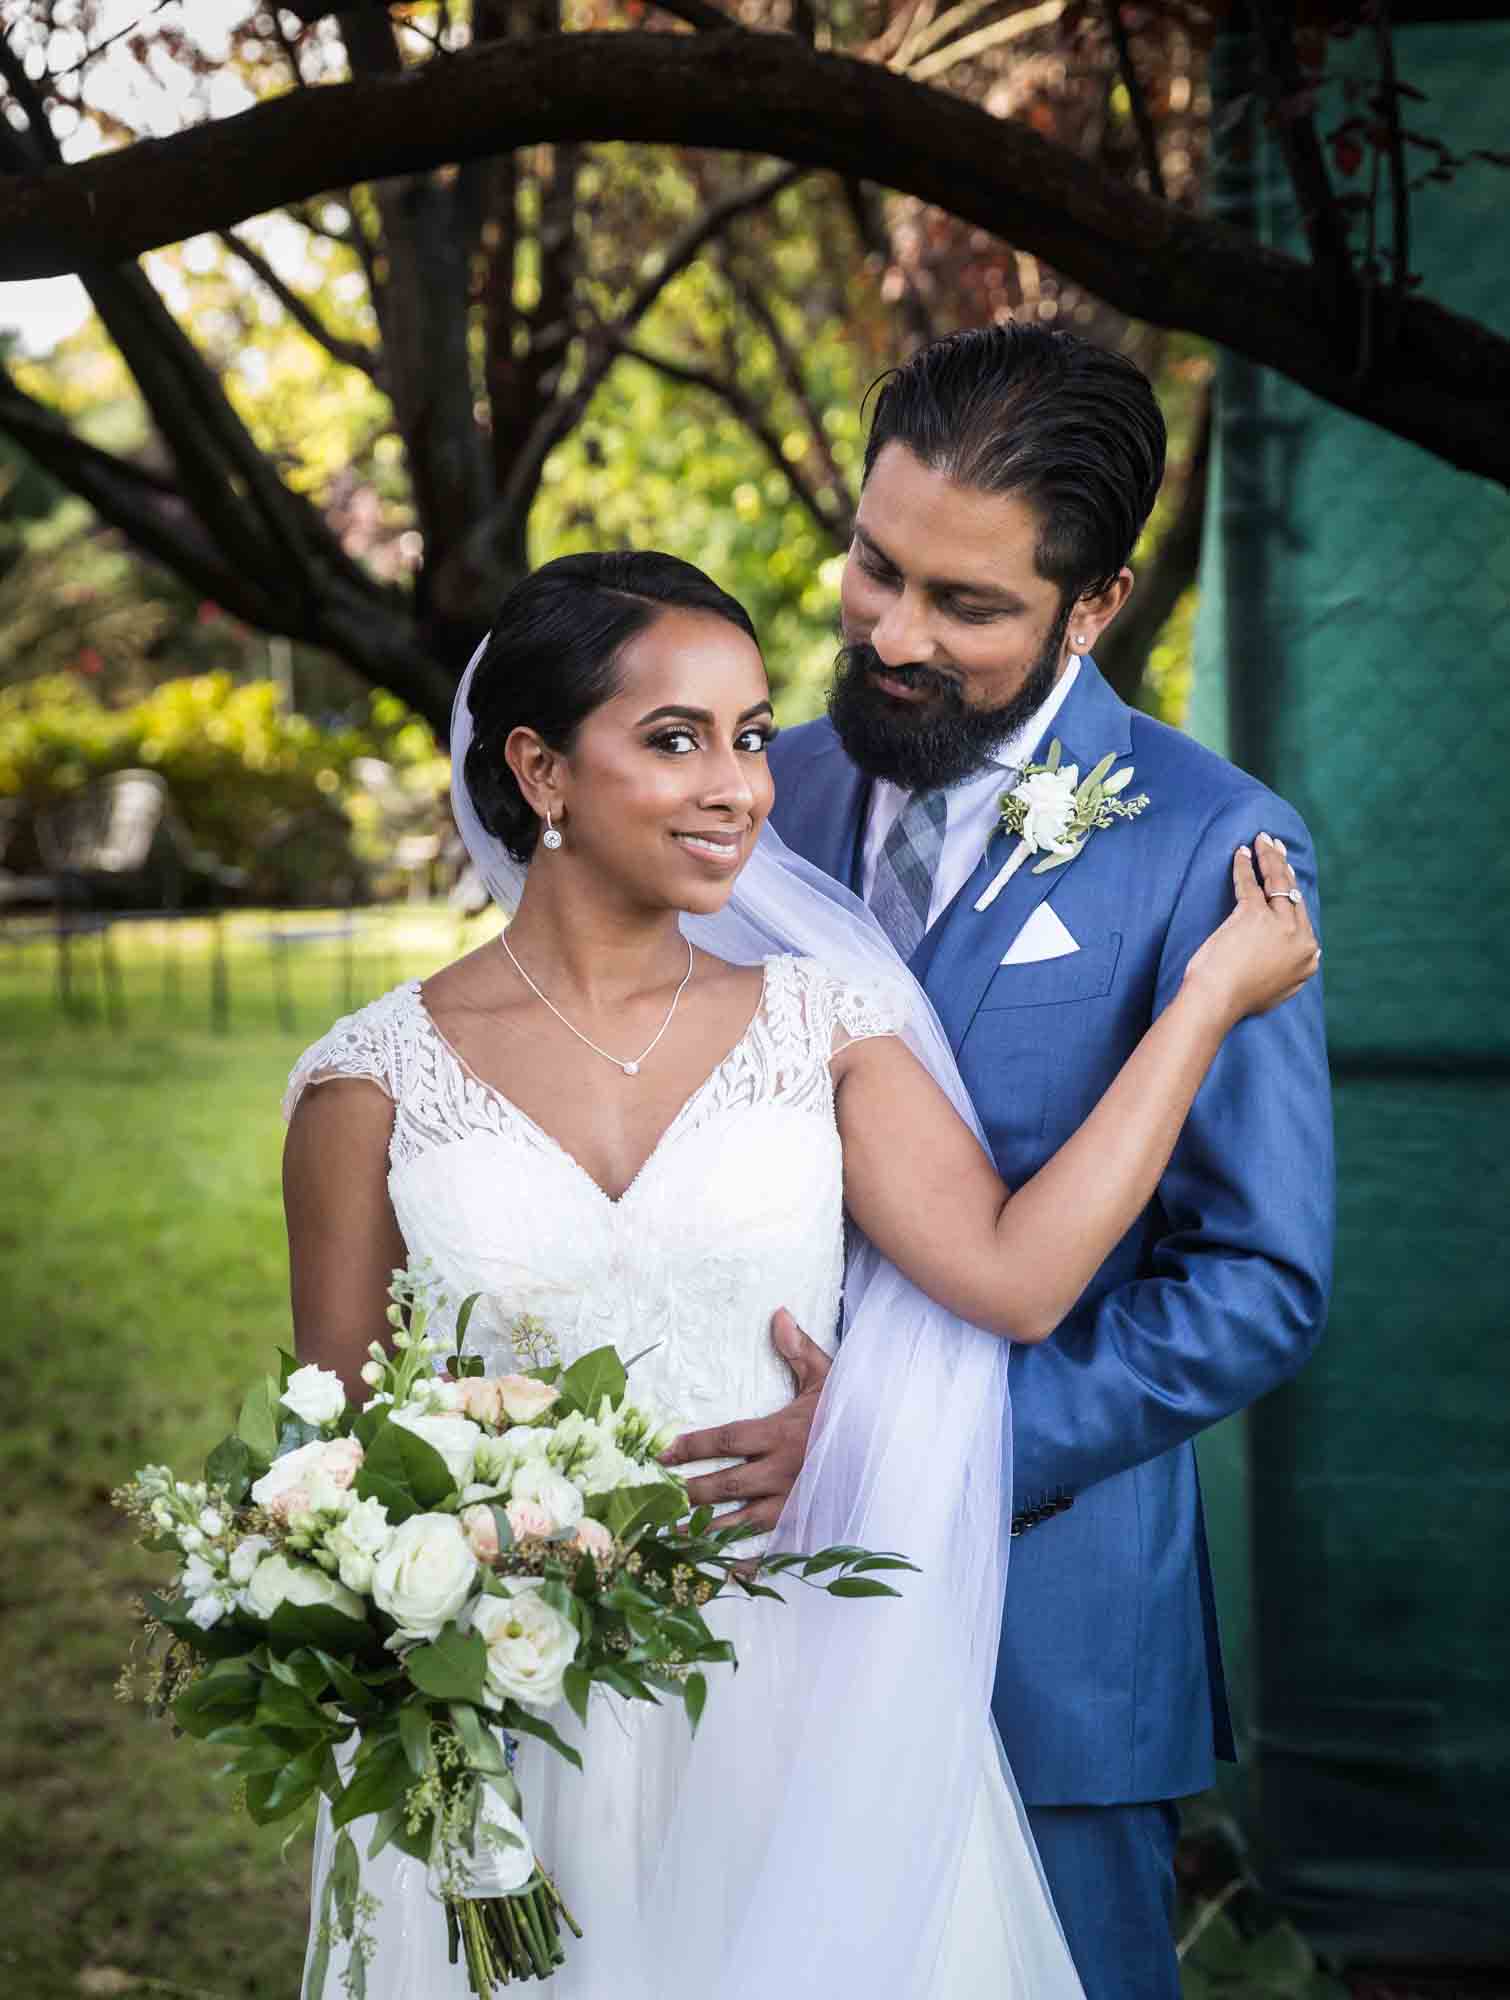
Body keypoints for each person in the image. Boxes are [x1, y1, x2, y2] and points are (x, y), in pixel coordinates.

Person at [282, 548, 1319, 2000]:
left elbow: (1018, 1282)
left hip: (804, 1688)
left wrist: (1202, 1001)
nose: (738, 786)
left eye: (753, 735)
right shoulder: (364, 1084)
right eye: (673, 739)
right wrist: (421, 1675)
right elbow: (325, 1464)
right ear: (538, 769)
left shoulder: (820, 1027)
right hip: (508, 1713)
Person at [664, 324, 1334, 1999]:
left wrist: (913, 1452)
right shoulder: (757, 796)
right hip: (730, 1590)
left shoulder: (1209, 842)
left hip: (1042, 1624)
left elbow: (1255, 1282)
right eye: (874, 567)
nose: (888, 636)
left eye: (962, 607)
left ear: (1091, 606)